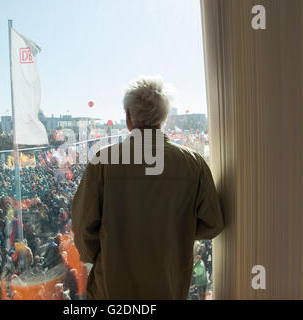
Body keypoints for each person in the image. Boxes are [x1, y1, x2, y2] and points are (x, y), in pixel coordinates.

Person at [72, 75, 224, 299]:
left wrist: (106, 255)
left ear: (128, 117)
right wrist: (176, 232)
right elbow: (213, 224)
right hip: (168, 286)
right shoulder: (194, 163)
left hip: (112, 288)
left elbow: (84, 231)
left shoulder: (103, 162)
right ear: (163, 117)